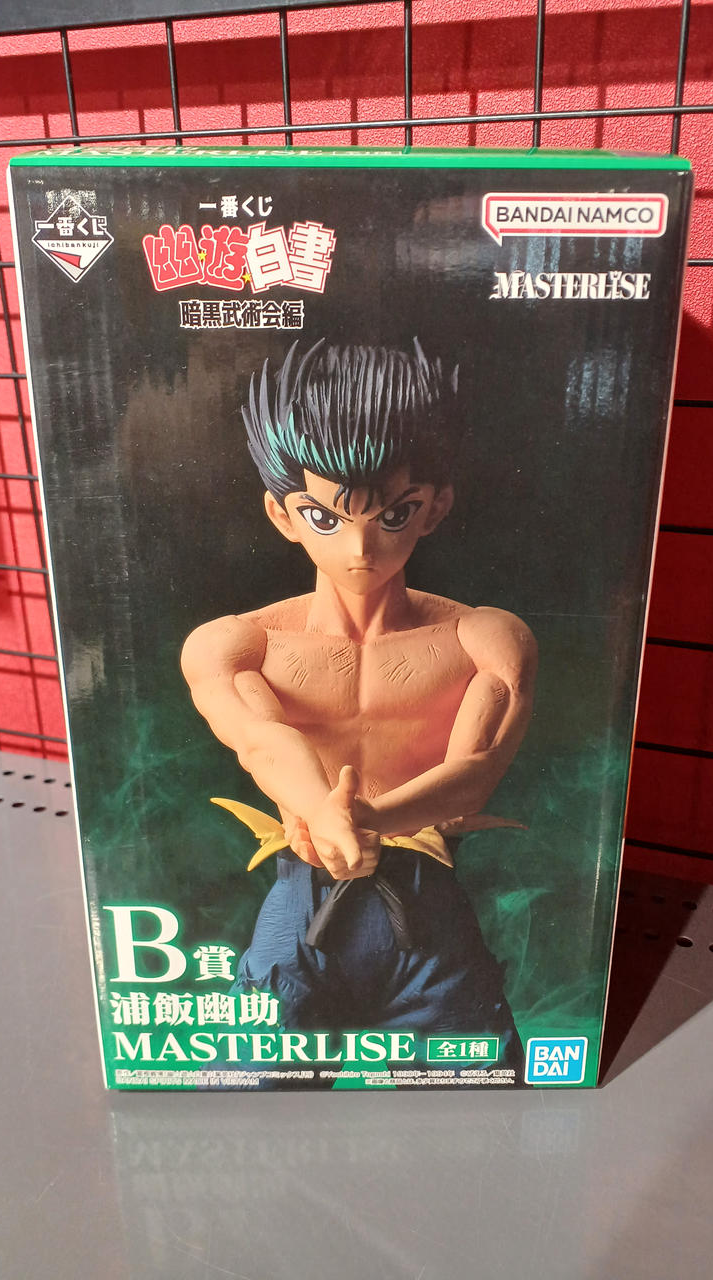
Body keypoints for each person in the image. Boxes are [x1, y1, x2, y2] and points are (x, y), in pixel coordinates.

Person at [180, 339, 536, 1072]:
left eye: (393, 515)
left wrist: (366, 819)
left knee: (473, 1099)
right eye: (326, 518)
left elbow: (474, 770)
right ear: (282, 515)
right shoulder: (239, 644)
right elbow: (261, 739)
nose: (360, 548)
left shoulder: (483, 638)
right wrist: (322, 810)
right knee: (246, 1094)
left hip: (426, 907)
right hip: (303, 906)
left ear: (435, 507)